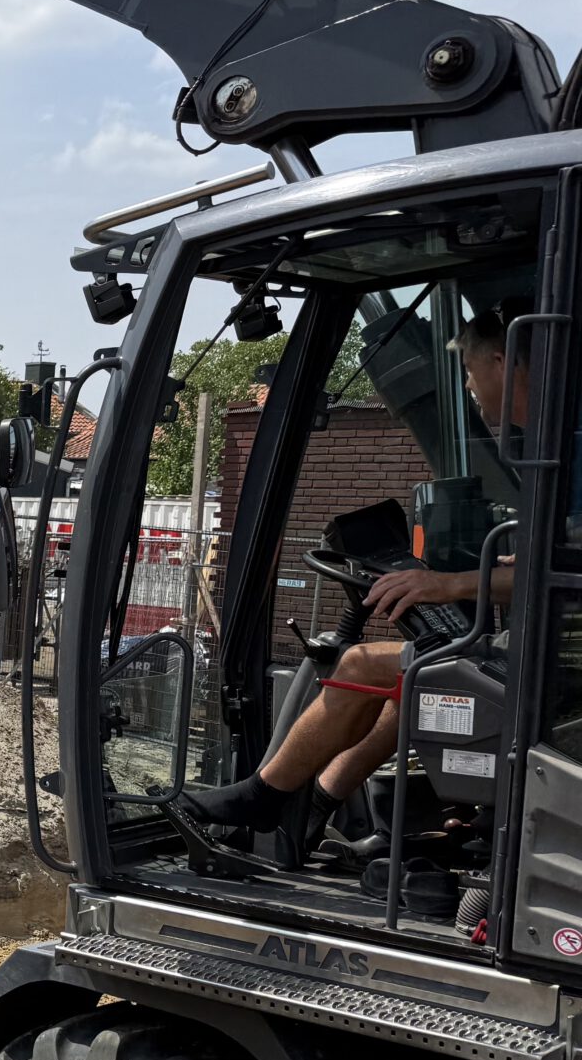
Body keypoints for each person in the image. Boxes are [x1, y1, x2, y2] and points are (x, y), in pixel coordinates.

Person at [183, 300, 526, 867]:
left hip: (543, 664)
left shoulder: (561, 453)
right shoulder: (544, 450)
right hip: (539, 652)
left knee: (363, 663)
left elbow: (562, 573)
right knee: (415, 672)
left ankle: (263, 798)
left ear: (500, 361)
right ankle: (319, 799)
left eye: (468, 370)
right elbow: (552, 559)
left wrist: (448, 585)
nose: (468, 383)